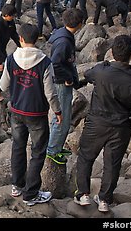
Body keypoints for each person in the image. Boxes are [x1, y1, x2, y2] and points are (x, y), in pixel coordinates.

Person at [74, 35, 131, 212]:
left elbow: (87, 74)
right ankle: (105, 199)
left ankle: (83, 194)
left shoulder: (102, 71)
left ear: (112, 52)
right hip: (121, 127)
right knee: (112, 164)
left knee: (85, 157)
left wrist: (105, 64)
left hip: (97, 122)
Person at [0, 23, 62, 206]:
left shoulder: (11, 59)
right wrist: (57, 111)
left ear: (20, 39)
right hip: (37, 113)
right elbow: (50, 92)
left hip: (17, 111)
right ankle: (31, 193)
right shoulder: (44, 62)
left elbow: (3, 86)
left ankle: (17, 185)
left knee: (18, 147)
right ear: (37, 40)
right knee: (38, 151)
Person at [46, 8, 85, 165]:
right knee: (61, 118)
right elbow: (55, 63)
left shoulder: (62, 34)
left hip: (61, 80)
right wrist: (68, 78)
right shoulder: (63, 41)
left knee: (64, 116)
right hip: (61, 83)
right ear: (80, 24)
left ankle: (56, 145)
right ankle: (52, 150)